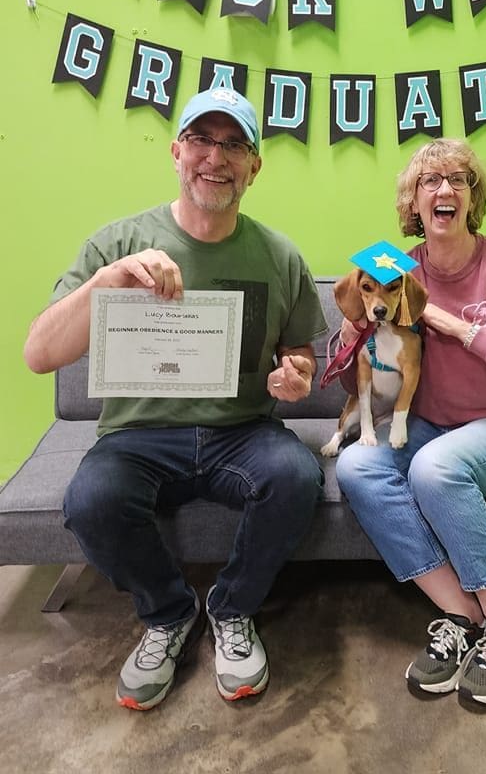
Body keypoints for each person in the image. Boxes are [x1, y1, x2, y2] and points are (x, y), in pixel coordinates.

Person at [23, 87, 327, 711]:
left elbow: (301, 356)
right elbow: (38, 353)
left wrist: (296, 376)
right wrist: (108, 282)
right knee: (91, 500)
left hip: (241, 432)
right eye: (201, 140)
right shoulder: (117, 241)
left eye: (234, 144)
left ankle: (233, 608)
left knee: (297, 474)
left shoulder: (280, 255)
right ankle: (169, 612)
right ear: (176, 152)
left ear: (254, 166)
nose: (215, 157)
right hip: (138, 438)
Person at [335, 139, 486, 708]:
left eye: (458, 180)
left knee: (435, 468)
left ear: (472, 196)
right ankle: (460, 616)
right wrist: (350, 338)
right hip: (432, 425)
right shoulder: (394, 268)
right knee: (358, 464)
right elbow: (362, 380)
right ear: (413, 201)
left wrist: (456, 326)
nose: (444, 190)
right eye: (430, 181)